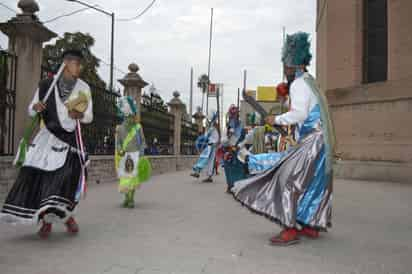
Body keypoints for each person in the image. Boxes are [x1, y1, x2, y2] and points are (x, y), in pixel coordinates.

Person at [231, 32, 336, 246]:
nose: (285, 70)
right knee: (314, 185)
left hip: (313, 141)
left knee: (287, 179)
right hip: (321, 142)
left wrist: (275, 118)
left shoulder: (299, 84)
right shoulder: (311, 82)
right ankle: (310, 225)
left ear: (291, 65)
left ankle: (289, 229)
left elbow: (299, 114)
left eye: (286, 66)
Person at [0, 49, 93, 238]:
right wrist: (36, 107)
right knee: (41, 181)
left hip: (69, 143)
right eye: (77, 64)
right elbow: (31, 110)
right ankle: (45, 221)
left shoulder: (84, 88)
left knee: (64, 182)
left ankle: (68, 218)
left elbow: (89, 116)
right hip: (46, 139)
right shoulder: (46, 85)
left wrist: (80, 115)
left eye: (80, 64)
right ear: (66, 64)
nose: (80, 68)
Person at [115, 96, 150, 208]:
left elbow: (143, 142)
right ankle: (126, 198)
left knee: (133, 179)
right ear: (123, 116)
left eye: (131, 116)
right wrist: (119, 149)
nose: (130, 119)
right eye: (127, 117)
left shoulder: (138, 128)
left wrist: (141, 153)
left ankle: (131, 199)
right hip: (124, 156)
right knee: (125, 179)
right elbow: (118, 142)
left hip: (135, 155)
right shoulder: (119, 128)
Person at [219, 105, 247, 193]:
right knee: (230, 168)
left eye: (236, 114)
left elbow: (243, 138)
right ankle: (231, 186)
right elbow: (224, 140)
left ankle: (236, 186)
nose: (234, 116)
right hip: (230, 150)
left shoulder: (240, 125)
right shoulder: (229, 126)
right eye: (233, 114)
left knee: (238, 168)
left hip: (237, 150)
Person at [191, 112, 220, 183]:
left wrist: (200, 142)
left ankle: (197, 172)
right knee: (209, 161)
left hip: (211, 145)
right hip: (213, 145)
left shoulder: (212, 128)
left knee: (203, 158)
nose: (207, 121)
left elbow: (206, 136)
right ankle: (208, 176)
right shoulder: (214, 128)